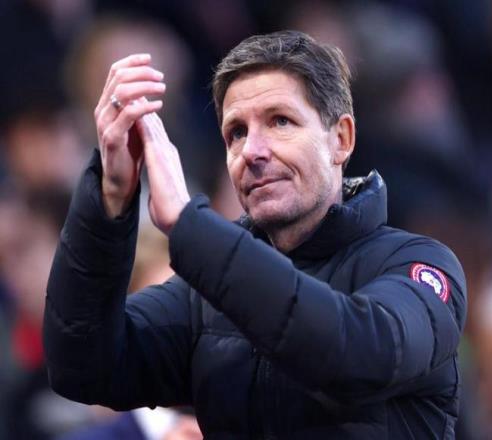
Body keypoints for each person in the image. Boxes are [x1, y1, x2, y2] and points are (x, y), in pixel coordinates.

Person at [43, 31, 467, 438]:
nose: (252, 151)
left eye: (280, 121)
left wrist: (191, 224)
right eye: (237, 133)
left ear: (341, 139)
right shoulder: (201, 296)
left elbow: (356, 356)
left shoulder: (421, 266)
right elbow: (82, 366)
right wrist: (110, 196)